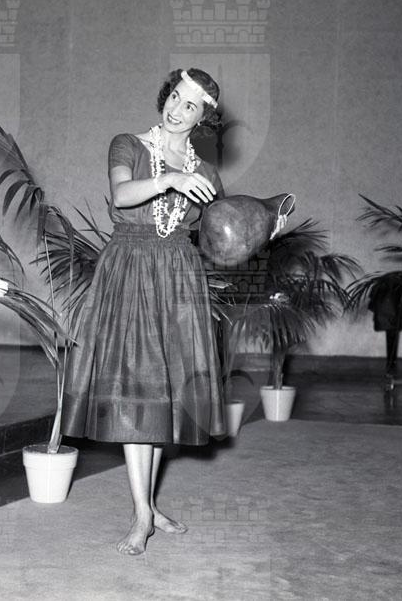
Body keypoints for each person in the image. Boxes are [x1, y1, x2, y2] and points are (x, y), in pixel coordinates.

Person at [62, 68, 285, 556]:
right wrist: (172, 178)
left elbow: (219, 239)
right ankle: (143, 513)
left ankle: (147, 506)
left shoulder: (207, 175)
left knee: (163, 393)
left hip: (180, 275)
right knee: (135, 388)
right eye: (175, 97)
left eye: (190, 105)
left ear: (203, 118)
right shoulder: (128, 144)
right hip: (130, 267)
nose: (177, 109)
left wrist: (262, 227)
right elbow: (122, 195)